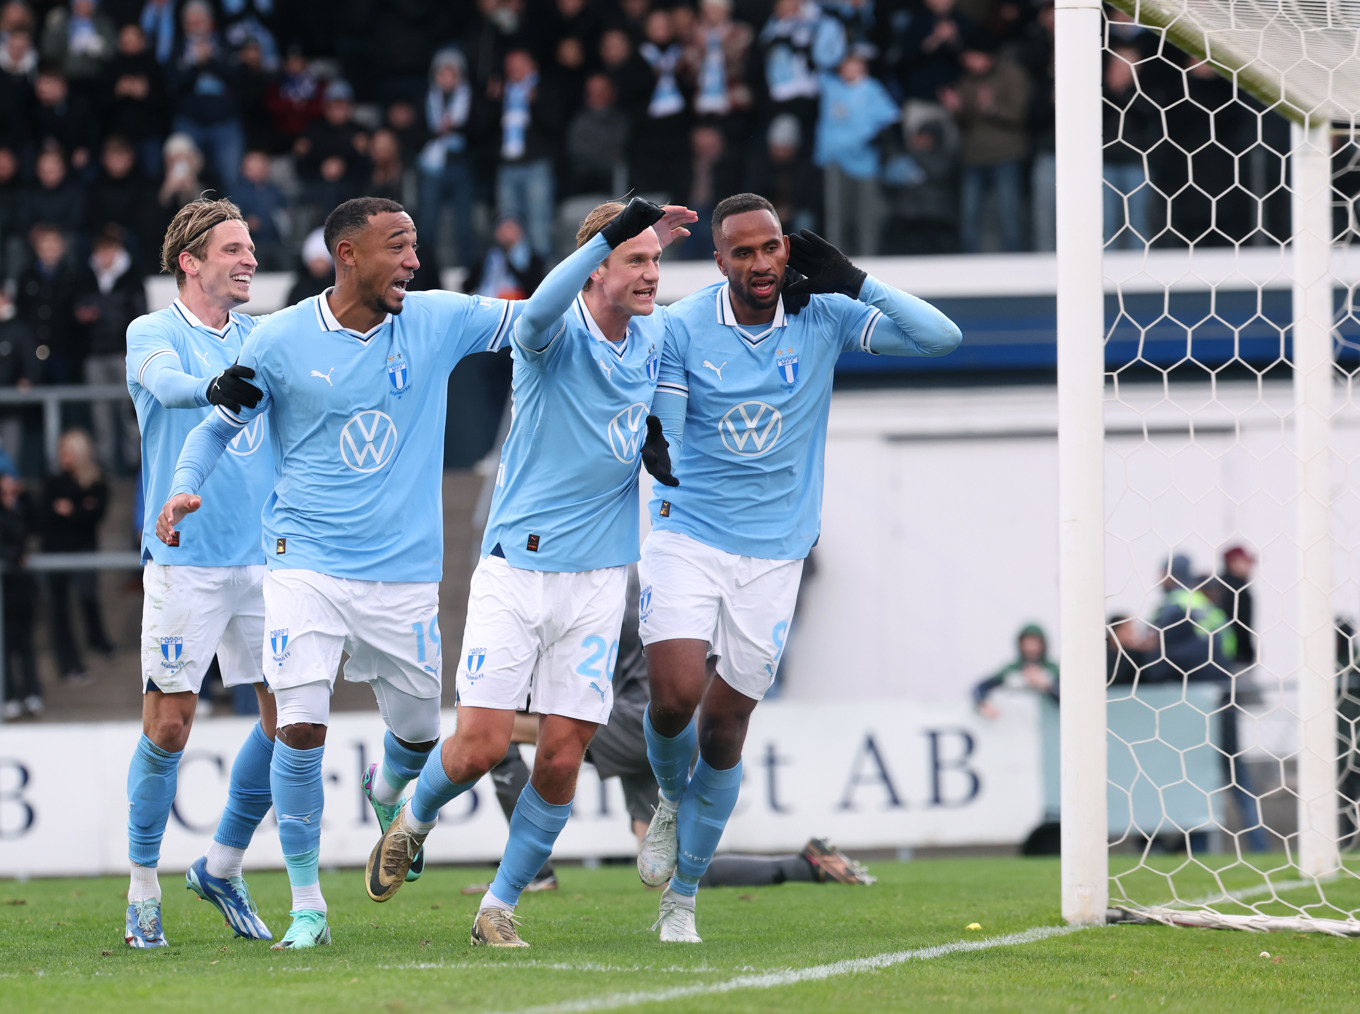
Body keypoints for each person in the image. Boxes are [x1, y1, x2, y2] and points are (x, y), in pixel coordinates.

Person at [156, 196, 523, 951]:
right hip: (302, 561)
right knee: (298, 725)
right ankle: (308, 906)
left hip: (403, 572)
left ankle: (388, 794)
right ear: (347, 254)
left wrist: (609, 251)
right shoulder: (282, 338)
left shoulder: (436, 318)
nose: (415, 259)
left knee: (420, 735)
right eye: (400, 245)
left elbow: (540, 319)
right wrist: (184, 483)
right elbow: (218, 424)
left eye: (417, 244)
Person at [363, 197, 696, 949]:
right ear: (597, 265)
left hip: (600, 578)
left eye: (654, 261)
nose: (651, 275)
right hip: (518, 569)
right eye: (634, 260)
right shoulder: (551, 334)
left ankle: (497, 906)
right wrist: (611, 233)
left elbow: (680, 361)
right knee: (480, 746)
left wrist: (655, 433)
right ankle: (414, 819)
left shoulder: (654, 336)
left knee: (560, 758)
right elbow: (543, 304)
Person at [638, 193, 960, 942]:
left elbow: (940, 338)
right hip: (687, 532)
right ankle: (664, 798)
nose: (759, 263)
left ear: (789, 250)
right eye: (743, 252)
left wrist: (857, 281)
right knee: (677, 695)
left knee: (724, 732)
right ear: (719, 261)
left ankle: (682, 898)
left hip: (776, 552)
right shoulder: (684, 326)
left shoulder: (825, 314)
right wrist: (656, 440)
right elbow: (671, 424)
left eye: (771, 248)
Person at [121, 197, 278, 948]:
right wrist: (211, 386)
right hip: (185, 560)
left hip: (268, 560)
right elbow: (163, 382)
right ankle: (143, 885)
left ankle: (222, 864)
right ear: (190, 261)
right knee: (171, 726)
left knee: (292, 723)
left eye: (251, 250)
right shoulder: (152, 332)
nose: (250, 260)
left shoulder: (265, 336)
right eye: (235, 250)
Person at [41, 427, 113, 682]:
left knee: (88, 597)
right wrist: (79, 510)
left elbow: (93, 514)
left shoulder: (97, 483)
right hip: (56, 554)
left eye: (68, 453)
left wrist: (71, 511)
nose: (63, 458)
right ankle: (69, 663)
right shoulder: (54, 482)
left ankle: (98, 641)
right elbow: (48, 515)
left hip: (82, 551)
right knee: (60, 608)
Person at [0, 469, 40, 719]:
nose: (10, 495)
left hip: (21, 590)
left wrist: (23, 497)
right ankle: (9, 695)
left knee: (25, 644)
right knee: (6, 644)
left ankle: (31, 693)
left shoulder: (20, 511)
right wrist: (17, 556)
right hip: (5, 589)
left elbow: (35, 526)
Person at [973, 623, 1059, 718]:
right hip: (1015, 725)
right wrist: (983, 703)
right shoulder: (1011, 670)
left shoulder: (1053, 670)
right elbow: (981, 687)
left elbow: (1069, 699)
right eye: (1027, 643)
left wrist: (1048, 686)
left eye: (1035, 643)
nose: (1031, 648)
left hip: (1049, 725)